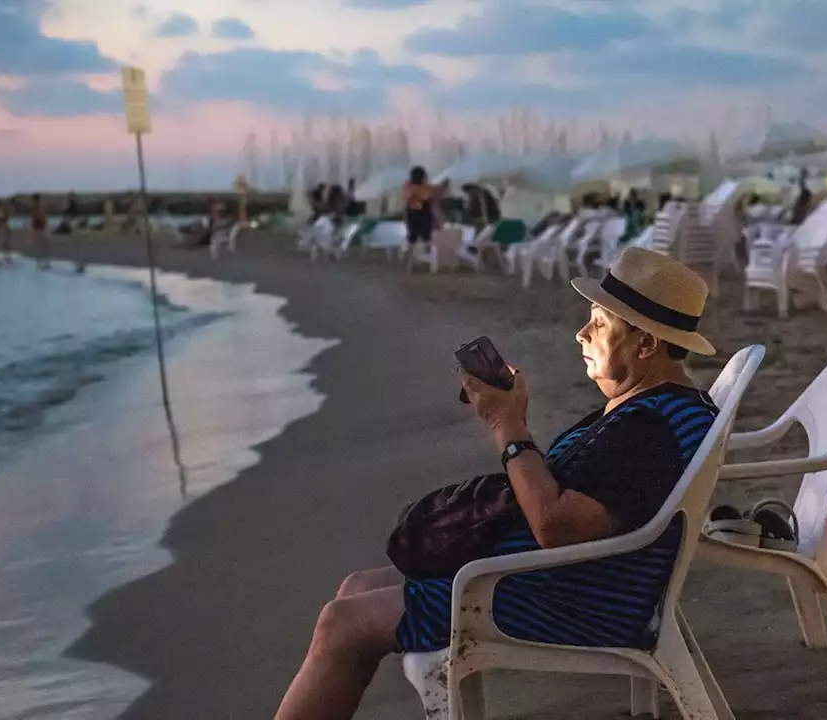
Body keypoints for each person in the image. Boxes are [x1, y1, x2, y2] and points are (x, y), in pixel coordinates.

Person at [275, 248, 720, 720]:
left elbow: (556, 527)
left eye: (599, 324)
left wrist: (508, 426)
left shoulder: (647, 429)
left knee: (340, 625)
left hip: (565, 596)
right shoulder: (661, 409)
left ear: (646, 345)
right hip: (550, 575)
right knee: (356, 587)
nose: (581, 333)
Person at [403, 166, 435, 252]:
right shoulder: (409, 186)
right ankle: (413, 253)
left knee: (423, 234)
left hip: (420, 211)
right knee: (415, 235)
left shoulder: (411, 186)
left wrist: (416, 193)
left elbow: (427, 196)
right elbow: (425, 196)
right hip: (416, 212)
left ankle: (424, 252)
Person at [30, 193, 50, 269]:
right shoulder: (36, 207)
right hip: (37, 228)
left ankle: (43, 261)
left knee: (41, 245)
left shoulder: (39, 207)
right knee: (39, 245)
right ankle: (41, 261)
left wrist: (46, 228)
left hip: (39, 229)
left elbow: (43, 218)